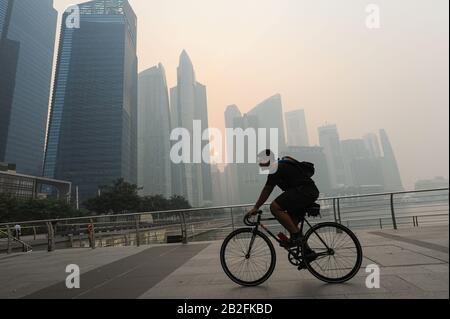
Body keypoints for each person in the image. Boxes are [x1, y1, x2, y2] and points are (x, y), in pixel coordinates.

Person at [247, 150, 320, 248]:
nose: (259, 164)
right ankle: (307, 253)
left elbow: (267, 189)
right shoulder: (279, 166)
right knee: (292, 225)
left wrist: (256, 207)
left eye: (261, 161)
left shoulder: (276, 168)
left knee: (274, 207)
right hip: (308, 192)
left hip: (304, 192)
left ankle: (295, 236)